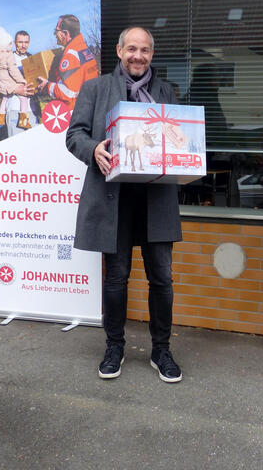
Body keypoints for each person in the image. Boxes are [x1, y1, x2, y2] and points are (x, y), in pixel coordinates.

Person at [66, 26, 183, 383]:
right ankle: (114, 346)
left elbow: (179, 136)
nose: (138, 56)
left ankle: (161, 350)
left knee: (161, 278)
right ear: (119, 51)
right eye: (131, 49)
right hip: (113, 200)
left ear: (151, 54)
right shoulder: (95, 88)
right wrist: (93, 149)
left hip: (156, 199)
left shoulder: (167, 92)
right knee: (116, 278)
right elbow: (74, 135)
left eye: (144, 50)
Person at [37, 14, 98, 110]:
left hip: (74, 110)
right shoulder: (84, 50)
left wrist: (47, 86)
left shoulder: (70, 56)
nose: (54, 34)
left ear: (65, 33)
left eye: (56, 31)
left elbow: (68, 93)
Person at [0, 28, 32, 130]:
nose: (23, 45)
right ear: (14, 42)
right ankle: (1, 118)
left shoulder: (32, 58)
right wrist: (15, 89)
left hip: (31, 109)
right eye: (20, 42)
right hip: (13, 109)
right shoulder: (7, 56)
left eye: (26, 42)